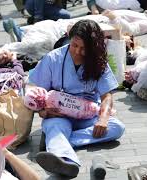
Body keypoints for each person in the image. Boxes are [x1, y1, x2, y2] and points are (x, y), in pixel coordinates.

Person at [27, 20, 125, 178]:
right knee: (55, 126)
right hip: (59, 115)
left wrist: (103, 119)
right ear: (69, 40)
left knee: (116, 127)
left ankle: (57, 144)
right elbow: (35, 91)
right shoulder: (52, 59)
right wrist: (43, 111)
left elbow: (107, 95)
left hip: (88, 116)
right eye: (74, 45)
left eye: (84, 48)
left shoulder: (99, 62)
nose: (78, 52)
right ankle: (68, 163)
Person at [2, 10, 147, 61]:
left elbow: (129, 29)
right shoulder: (138, 12)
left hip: (102, 25)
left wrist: (113, 17)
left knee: (55, 39)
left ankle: (19, 40)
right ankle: (24, 32)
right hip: (96, 21)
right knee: (58, 27)